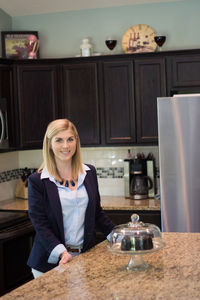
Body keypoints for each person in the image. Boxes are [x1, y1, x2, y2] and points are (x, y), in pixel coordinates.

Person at [27, 119, 115, 278]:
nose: (65, 146)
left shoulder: (89, 173)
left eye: (70, 139)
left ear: (76, 141)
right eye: (59, 140)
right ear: (49, 143)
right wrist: (61, 252)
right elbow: (40, 224)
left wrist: (118, 236)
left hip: (84, 258)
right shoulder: (37, 181)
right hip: (49, 263)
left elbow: (97, 214)